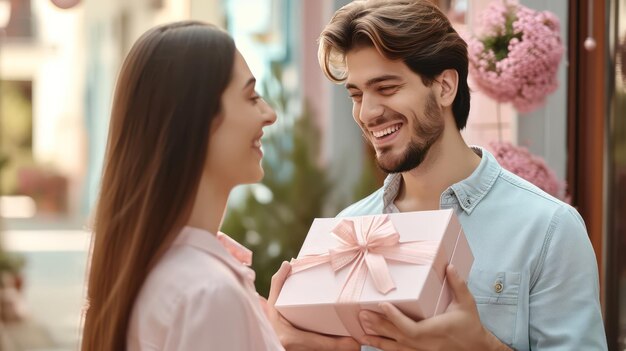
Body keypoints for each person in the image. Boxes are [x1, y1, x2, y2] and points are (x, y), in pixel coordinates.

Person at [267, 0, 608, 350]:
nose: (367, 113)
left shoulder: (548, 229)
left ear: (445, 87)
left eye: (386, 88)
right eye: (357, 94)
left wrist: (483, 346)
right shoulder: (347, 231)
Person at [81, 21, 284, 350]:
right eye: (251, 97)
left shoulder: (149, 267)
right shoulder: (208, 293)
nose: (269, 114)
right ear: (197, 119)